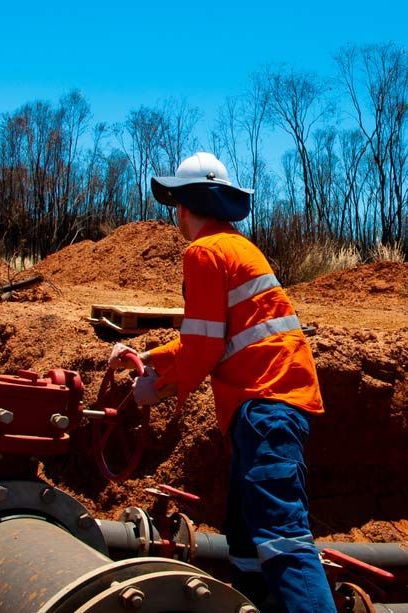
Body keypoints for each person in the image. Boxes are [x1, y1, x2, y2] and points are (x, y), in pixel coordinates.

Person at [109, 152, 335, 612]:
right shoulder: (236, 246)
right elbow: (208, 337)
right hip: (271, 403)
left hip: (266, 406)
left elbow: (204, 349)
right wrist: (148, 358)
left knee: (281, 538)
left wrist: (157, 390)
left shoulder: (203, 252)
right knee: (246, 538)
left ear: (185, 208)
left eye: (176, 206)